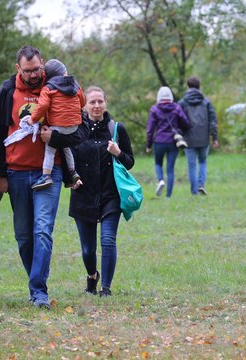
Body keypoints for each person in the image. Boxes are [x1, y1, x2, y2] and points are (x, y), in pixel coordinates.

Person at [0, 45, 89, 309]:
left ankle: (38, 291)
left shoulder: (60, 86)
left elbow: (81, 131)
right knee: (24, 236)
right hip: (16, 172)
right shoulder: (8, 92)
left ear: (43, 64)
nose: (33, 75)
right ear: (17, 68)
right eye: (28, 70)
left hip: (50, 172)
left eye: (37, 69)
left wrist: (54, 137)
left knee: (42, 230)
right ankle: (37, 280)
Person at [68, 86, 135, 297]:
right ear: (84, 105)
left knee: (108, 240)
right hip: (83, 196)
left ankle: (106, 288)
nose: (97, 106)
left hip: (110, 195)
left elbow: (130, 162)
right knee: (88, 250)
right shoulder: (75, 130)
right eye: (92, 102)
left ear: (106, 103)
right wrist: (71, 178)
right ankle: (92, 276)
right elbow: (68, 162)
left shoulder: (117, 129)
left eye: (100, 101)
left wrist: (118, 153)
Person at [4, 59, 85, 190]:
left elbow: (42, 106)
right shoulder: (76, 86)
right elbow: (83, 101)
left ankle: (46, 176)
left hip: (58, 126)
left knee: (50, 147)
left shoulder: (48, 88)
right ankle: (72, 171)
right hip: (74, 126)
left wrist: (32, 119)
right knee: (65, 147)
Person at [146, 86, 189, 197]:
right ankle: (168, 196)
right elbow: (186, 122)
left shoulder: (154, 109)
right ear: (171, 96)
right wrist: (180, 130)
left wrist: (148, 144)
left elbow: (150, 129)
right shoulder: (177, 107)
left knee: (158, 163)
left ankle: (160, 180)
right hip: (173, 142)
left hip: (159, 141)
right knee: (170, 169)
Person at [178, 76, 218, 195]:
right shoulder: (206, 102)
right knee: (202, 162)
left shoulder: (182, 103)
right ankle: (201, 185)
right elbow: (213, 121)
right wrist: (214, 137)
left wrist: (178, 136)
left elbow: (177, 121)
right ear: (199, 86)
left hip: (188, 139)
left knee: (191, 165)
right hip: (203, 139)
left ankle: (194, 191)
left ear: (188, 87)